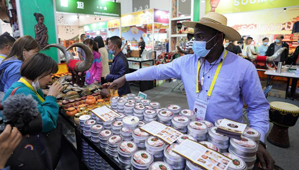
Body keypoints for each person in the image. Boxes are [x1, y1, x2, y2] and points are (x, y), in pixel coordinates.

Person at [108, 12, 274, 170]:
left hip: (228, 140)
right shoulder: (187, 62)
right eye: (195, 37)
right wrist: (126, 78)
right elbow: (157, 71)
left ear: (219, 38)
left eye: (200, 37)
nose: (195, 42)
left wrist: (257, 140)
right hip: (194, 132)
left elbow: (258, 106)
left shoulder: (243, 67)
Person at [2, 53, 62, 132]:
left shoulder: (28, 87)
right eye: (50, 75)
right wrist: (51, 96)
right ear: (39, 72)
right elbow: (45, 123)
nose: (51, 80)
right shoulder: (22, 93)